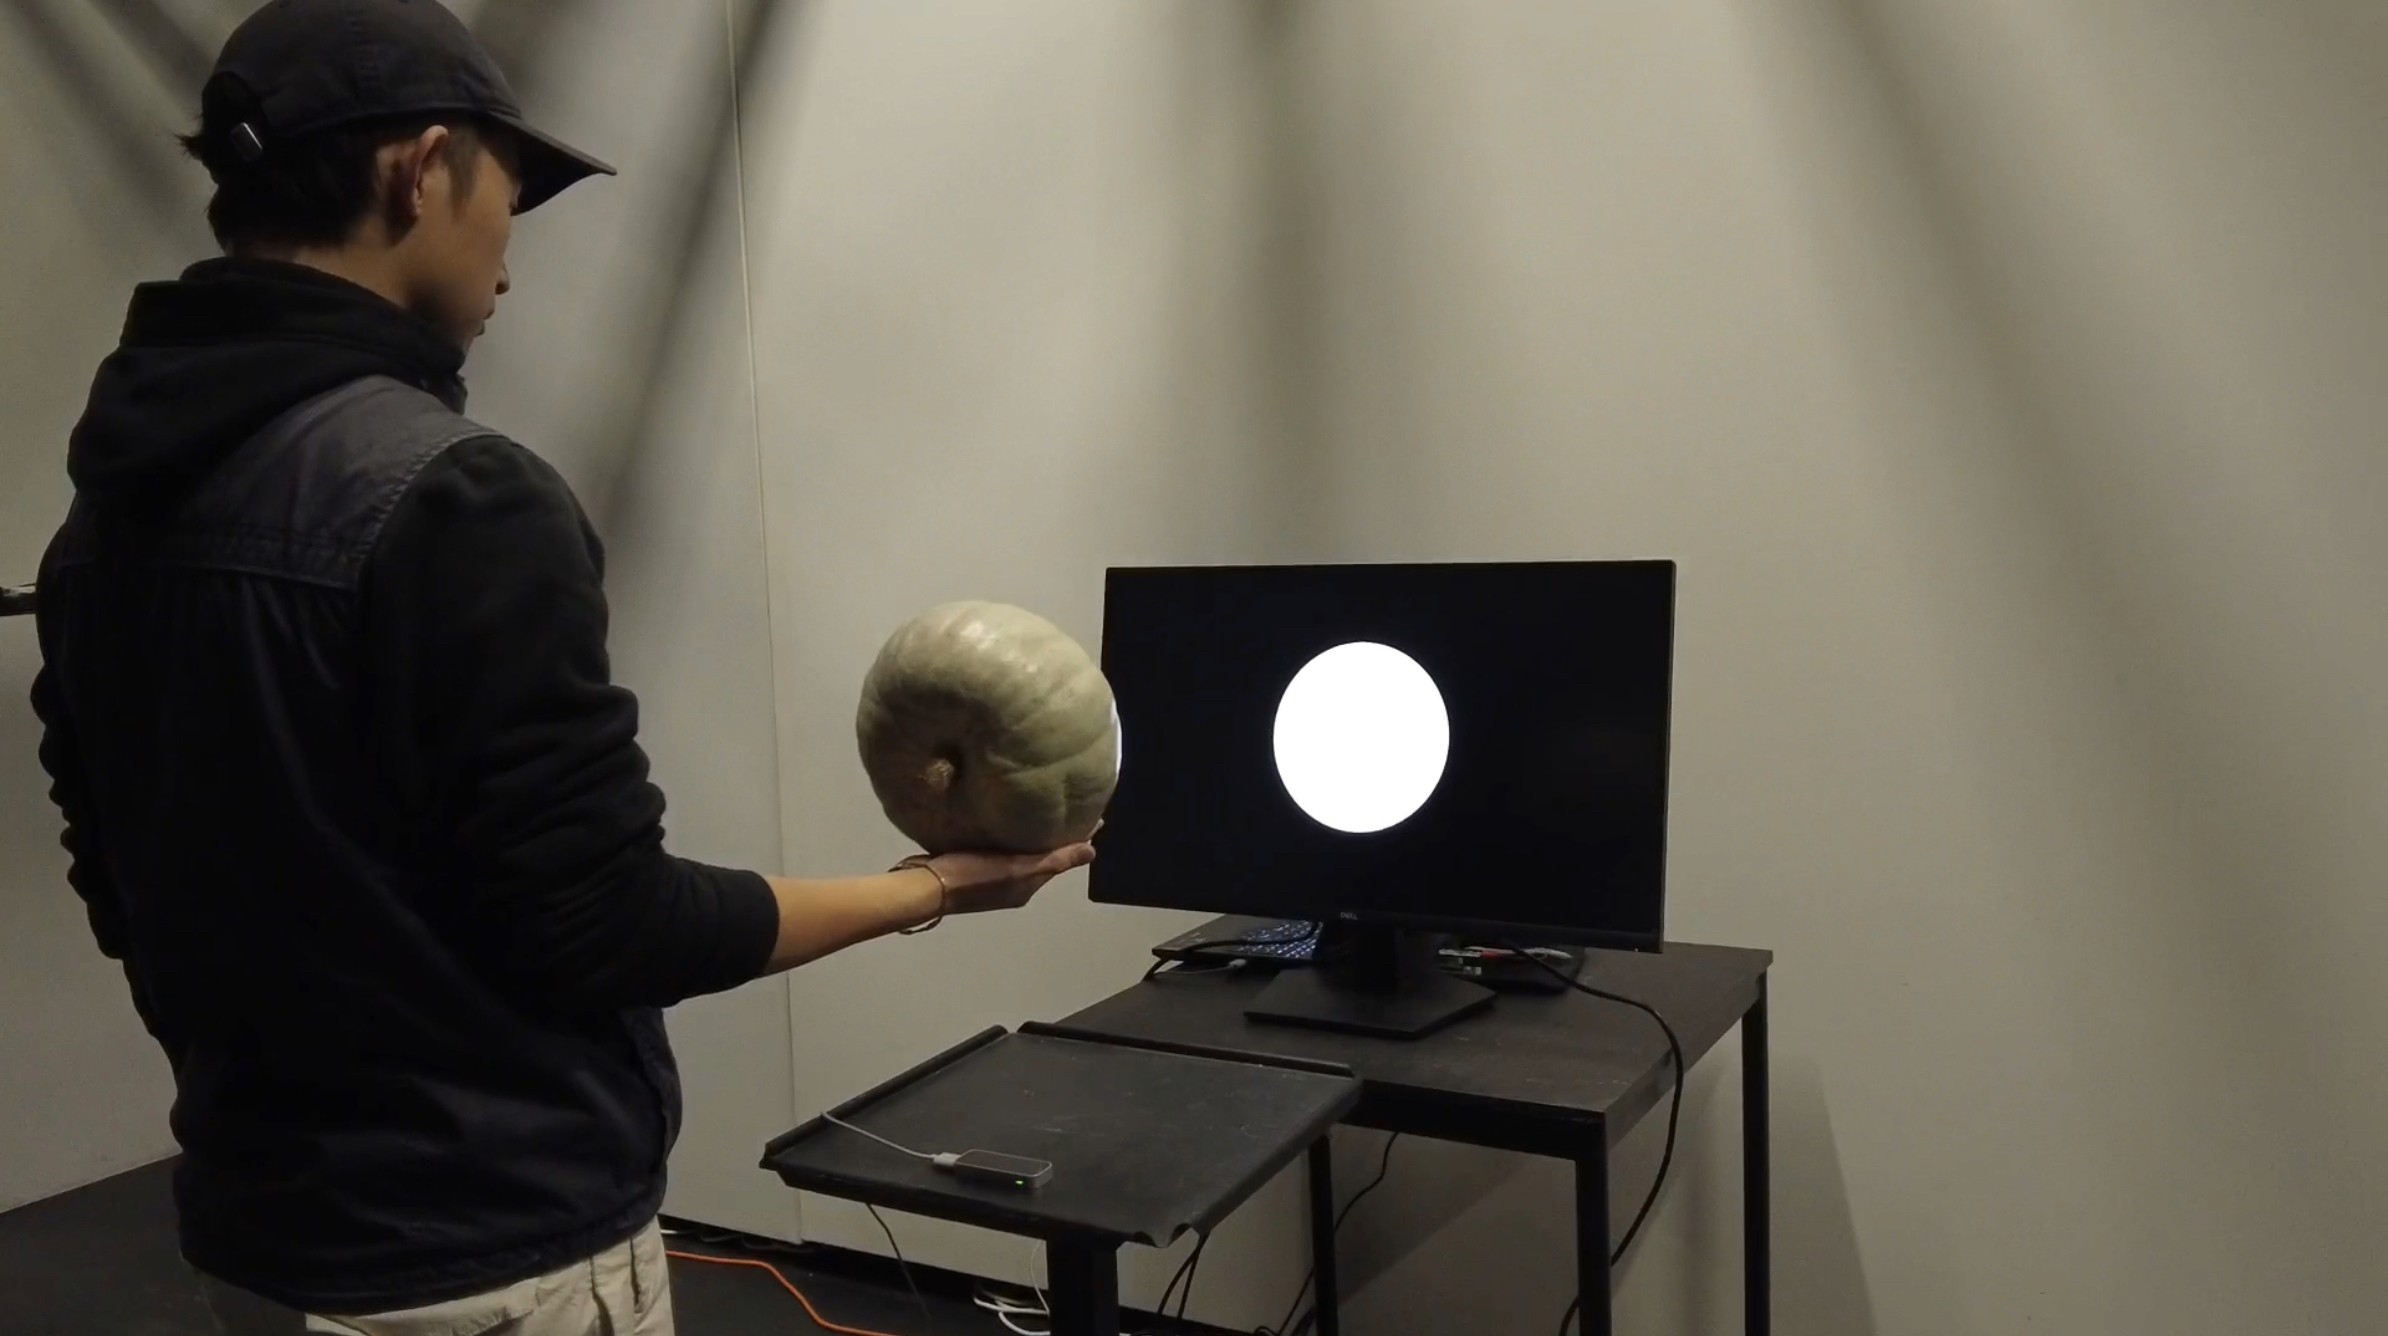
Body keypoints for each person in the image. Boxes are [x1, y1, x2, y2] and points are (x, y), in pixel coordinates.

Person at [28, 2, 1095, 1332]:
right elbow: (609, 925)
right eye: (511, 195)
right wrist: (931, 889)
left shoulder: (100, 526)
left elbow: (119, 882)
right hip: (489, 1264)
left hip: (256, 1242)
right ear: (423, 170)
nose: (509, 261)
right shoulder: (458, 497)